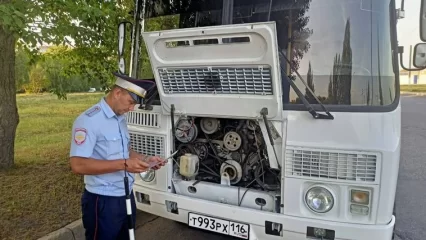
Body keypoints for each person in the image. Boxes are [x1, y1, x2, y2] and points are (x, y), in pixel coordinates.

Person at [69, 72, 166, 240]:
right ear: (117, 93)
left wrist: (144, 159)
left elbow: (125, 151)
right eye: (130, 102)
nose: (131, 109)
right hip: (103, 200)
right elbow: (78, 165)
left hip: (126, 195)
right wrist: (124, 164)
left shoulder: (119, 118)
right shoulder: (88, 121)